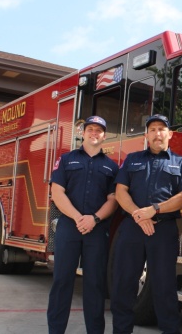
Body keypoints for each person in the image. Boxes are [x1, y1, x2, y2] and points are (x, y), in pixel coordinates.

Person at [111, 114, 182, 334]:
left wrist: (154, 210)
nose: (157, 133)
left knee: (164, 288)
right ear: (146, 135)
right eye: (153, 129)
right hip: (132, 228)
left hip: (163, 231)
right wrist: (139, 215)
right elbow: (121, 191)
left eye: (162, 129)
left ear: (170, 134)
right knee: (124, 285)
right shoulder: (132, 159)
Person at [47, 115, 119, 334]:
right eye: (90, 129)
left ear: (104, 136)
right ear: (83, 132)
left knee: (95, 284)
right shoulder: (66, 159)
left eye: (99, 130)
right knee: (62, 281)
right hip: (69, 227)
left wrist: (94, 219)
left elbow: (113, 199)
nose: (94, 133)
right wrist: (78, 217)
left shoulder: (111, 166)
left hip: (97, 230)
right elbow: (57, 192)